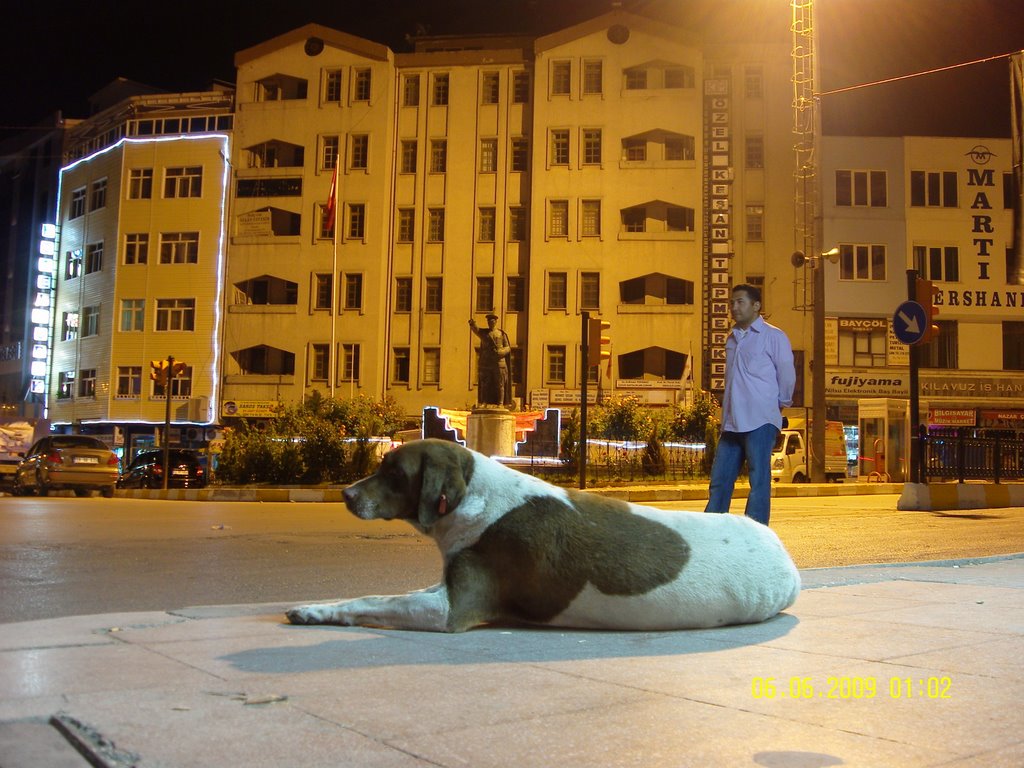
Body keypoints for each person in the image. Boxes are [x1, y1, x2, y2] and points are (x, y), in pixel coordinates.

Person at [704, 283, 795, 525]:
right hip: (732, 422)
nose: (734, 307)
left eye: (740, 302)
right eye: (732, 302)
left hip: (760, 420)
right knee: (720, 480)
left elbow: (786, 373)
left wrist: (781, 403)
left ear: (756, 306)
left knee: (758, 479)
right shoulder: (732, 339)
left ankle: (755, 532)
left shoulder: (774, 336)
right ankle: (710, 531)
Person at [468, 313, 513, 408]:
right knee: (485, 384)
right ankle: (484, 402)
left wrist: (501, 352)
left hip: (499, 362)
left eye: (492, 321)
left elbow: (508, 347)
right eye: (489, 322)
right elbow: (476, 330)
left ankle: (500, 403)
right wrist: (473, 324)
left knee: (500, 383)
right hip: (487, 363)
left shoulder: (501, 334)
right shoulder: (484, 333)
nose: (490, 323)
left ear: (496, 322)